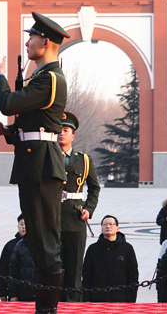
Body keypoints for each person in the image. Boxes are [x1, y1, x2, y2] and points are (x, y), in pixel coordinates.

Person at [0, 11, 69, 314]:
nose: (27, 42)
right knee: (37, 240)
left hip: (41, 165)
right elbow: (35, 124)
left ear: (45, 42)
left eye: (31, 37)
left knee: (45, 242)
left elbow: (9, 103)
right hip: (34, 162)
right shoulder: (41, 77)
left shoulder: (50, 78)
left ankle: (47, 310)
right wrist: (9, 132)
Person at [57, 111, 100, 301]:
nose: (61, 133)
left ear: (73, 136)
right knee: (53, 268)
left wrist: (89, 209)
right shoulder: (48, 157)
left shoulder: (84, 159)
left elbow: (94, 188)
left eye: (66, 130)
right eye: (59, 130)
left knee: (74, 269)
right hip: (52, 218)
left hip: (75, 219)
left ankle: (73, 306)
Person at [81, 215, 138, 302]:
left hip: (121, 297)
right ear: (101, 228)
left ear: (117, 228)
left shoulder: (127, 248)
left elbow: (133, 274)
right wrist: (86, 298)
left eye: (111, 224)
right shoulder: (93, 249)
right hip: (98, 297)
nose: (108, 226)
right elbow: (87, 274)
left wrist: (131, 299)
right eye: (105, 224)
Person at [0, 214, 25, 301]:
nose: (24, 227)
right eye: (21, 224)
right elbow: (3, 270)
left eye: (26, 224)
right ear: (18, 226)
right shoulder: (10, 246)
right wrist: (2, 292)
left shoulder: (38, 246)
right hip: (15, 293)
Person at [8, 226, 36, 303]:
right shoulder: (20, 244)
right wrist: (13, 294)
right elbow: (13, 271)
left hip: (45, 292)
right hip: (25, 293)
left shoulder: (48, 244)